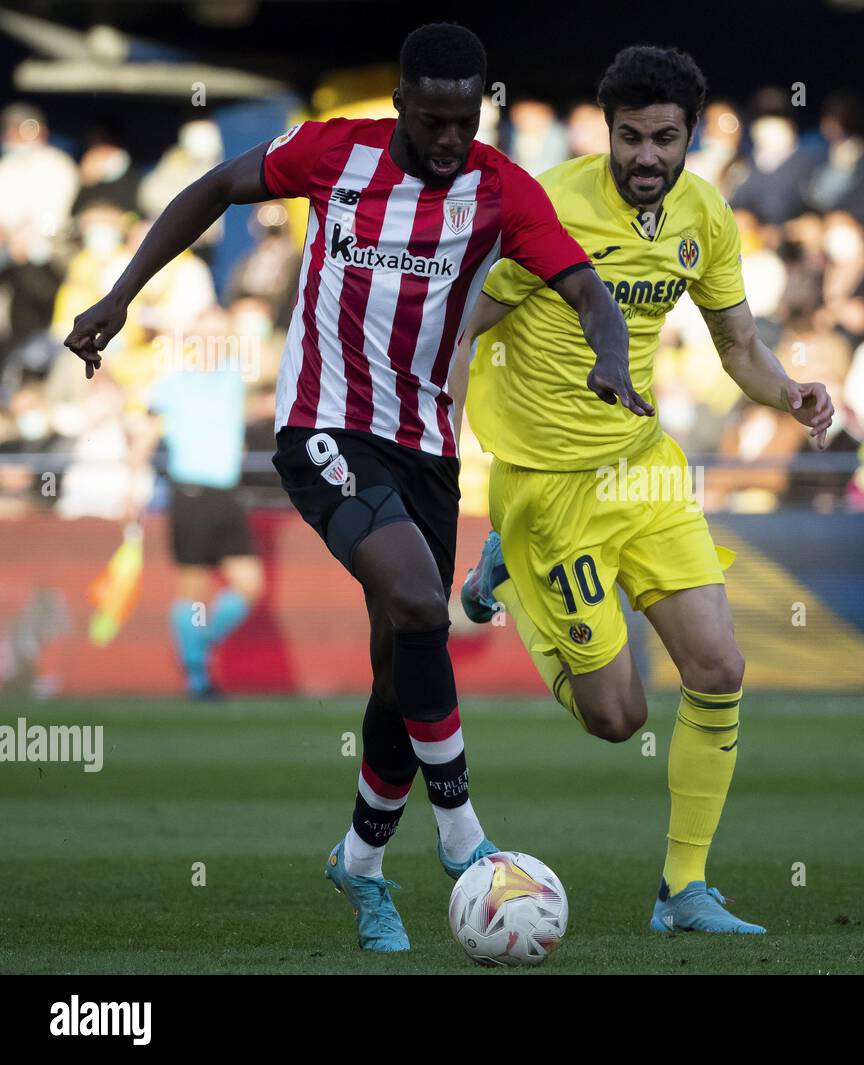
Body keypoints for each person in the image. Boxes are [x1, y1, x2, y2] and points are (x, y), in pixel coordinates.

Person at [63, 22, 646, 954]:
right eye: (435, 120)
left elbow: (585, 289)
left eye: (466, 120)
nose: (451, 139)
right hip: (325, 427)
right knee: (422, 599)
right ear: (403, 106)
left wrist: (609, 357)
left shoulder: (501, 188)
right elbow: (216, 186)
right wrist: (122, 294)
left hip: (426, 449)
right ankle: (463, 836)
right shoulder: (337, 152)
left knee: (399, 661)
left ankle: (361, 863)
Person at [451, 45, 833, 935]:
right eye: (631, 138)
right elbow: (472, 313)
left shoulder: (706, 214)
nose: (648, 157)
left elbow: (739, 346)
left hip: (644, 466)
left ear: (693, 136)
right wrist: (439, 413)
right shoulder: (551, 204)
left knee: (720, 667)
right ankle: (516, 569)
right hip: (548, 488)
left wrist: (791, 391)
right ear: (607, 130)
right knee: (618, 716)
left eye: (666, 138)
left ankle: (683, 889)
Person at [131, 305, 263, 697]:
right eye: (204, 335)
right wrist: (130, 488)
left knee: (250, 584)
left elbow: (261, 352)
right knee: (192, 589)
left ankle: (198, 644)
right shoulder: (172, 382)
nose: (212, 341)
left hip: (226, 494)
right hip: (189, 493)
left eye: (217, 334)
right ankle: (197, 677)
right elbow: (146, 437)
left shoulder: (235, 375)